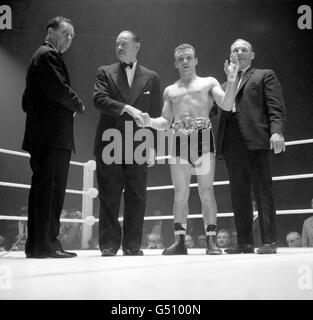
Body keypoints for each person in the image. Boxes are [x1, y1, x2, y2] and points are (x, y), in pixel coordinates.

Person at [141, 43, 239, 255]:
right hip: (179, 143)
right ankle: (180, 242)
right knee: (180, 193)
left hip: (203, 140)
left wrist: (231, 80)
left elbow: (227, 104)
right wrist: (149, 121)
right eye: (180, 59)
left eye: (188, 58)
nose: (184, 62)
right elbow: (165, 122)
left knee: (206, 191)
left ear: (195, 60)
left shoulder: (208, 82)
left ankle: (211, 241)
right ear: (175, 63)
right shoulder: (170, 90)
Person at [215, 39, 287, 254]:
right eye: (235, 49)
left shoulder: (264, 75)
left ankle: (269, 242)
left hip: (256, 140)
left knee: (263, 191)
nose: (239, 52)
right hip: (231, 143)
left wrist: (277, 131)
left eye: (243, 49)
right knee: (238, 194)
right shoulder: (224, 83)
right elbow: (215, 110)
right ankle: (244, 242)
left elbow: (276, 106)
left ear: (252, 54)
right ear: (230, 55)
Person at [93, 30, 161, 256]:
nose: (119, 48)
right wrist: (126, 108)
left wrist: (152, 147)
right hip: (109, 142)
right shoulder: (105, 71)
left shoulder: (151, 77)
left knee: (137, 195)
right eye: (116, 44)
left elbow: (154, 114)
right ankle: (109, 244)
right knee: (109, 195)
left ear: (137, 46)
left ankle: (132, 245)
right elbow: (99, 99)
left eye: (123, 44)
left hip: (139, 143)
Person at [21, 16, 85, 258]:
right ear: (50, 31)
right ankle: (46, 245)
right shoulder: (48, 56)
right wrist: (78, 105)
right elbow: (60, 90)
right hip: (52, 137)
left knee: (43, 191)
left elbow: (26, 101)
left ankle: (40, 245)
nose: (69, 39)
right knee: (50, 191)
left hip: (43, 136)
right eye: (65, 33)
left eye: (72, 36)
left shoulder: (37, 57)